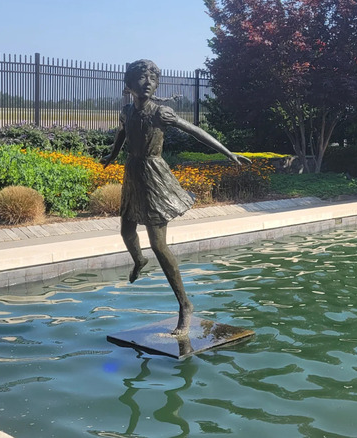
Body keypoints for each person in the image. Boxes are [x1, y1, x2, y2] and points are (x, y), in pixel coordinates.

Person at [100, 59, 249, 336]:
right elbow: (122, 133)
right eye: (142, 78)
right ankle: (138, 261)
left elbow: (195, 131)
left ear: (156, 85)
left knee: (158, 244)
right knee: (126, 230)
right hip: (132, 173)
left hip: (155, 176)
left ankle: (185, 305)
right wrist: (111, 154)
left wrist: (228, 153)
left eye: (152, 79)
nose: (147, 83)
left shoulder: (161, 112)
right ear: (129, 85)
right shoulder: (125, 111)